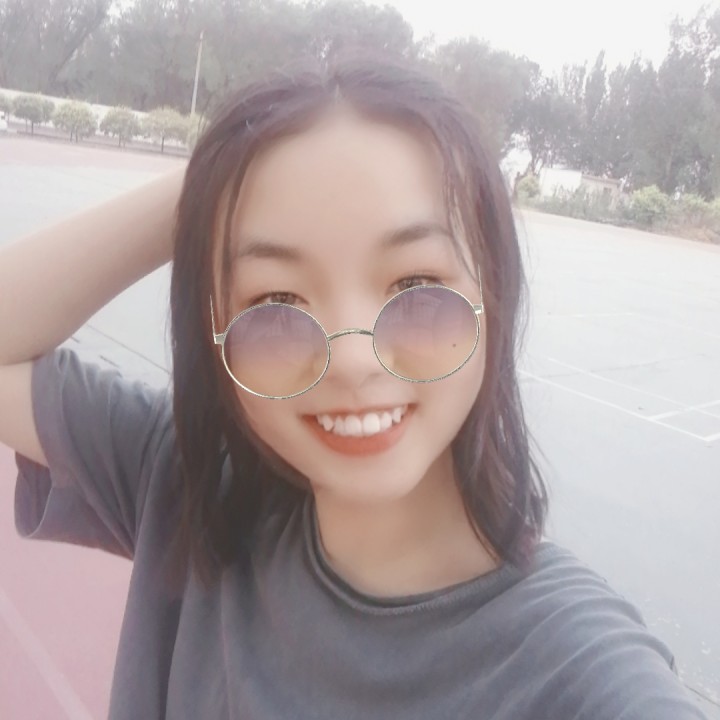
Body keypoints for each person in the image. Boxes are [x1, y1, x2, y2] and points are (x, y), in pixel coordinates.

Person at [0, 56, 707, 720]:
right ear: (214, 330)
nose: (352, 361)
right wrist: (215, 184)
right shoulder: (187, 487)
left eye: (415, 285)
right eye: (277, 300)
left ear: (492, 294)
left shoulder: (577, 668)